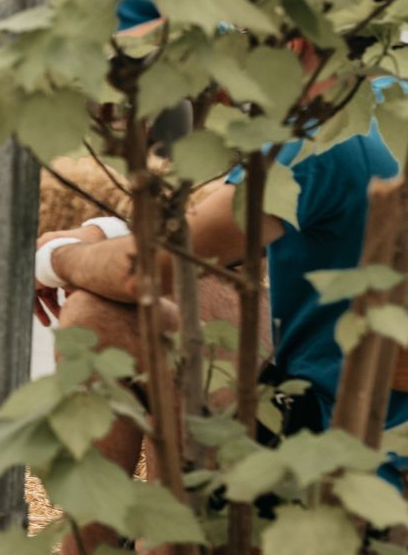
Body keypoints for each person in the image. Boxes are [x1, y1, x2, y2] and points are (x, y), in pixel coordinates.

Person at [35, 53, 404, 554]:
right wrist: (103, 234)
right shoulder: (386, 109)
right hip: (374, 431)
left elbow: (141, 270)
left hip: (346, 461)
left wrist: (57, 259)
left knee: (100, 314)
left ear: (295, 40)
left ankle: (112, 546)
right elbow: (207, 242)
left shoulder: (321, 136)